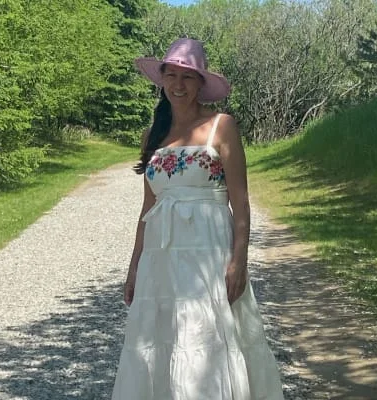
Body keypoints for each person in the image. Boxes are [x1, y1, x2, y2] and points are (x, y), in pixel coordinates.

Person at [111, 38, 285, 400]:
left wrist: (239, 260)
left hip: (208, 252)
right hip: (161, 255)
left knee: (206, 337)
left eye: (188, 76)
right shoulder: (151, 135)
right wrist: (134, 267)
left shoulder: (222, 126)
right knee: (161, 339)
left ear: (201, 83)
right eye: (171, 75)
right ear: (161, 79)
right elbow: (147, 207)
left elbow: (241, 202)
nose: (178, 84)